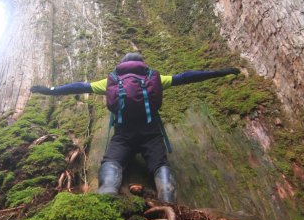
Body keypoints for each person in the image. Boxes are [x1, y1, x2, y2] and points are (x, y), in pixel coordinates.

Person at [31, 53, 240, 202]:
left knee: (112, 161)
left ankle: (106, 198)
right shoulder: (153, 78)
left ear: (122, 64)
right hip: (150, 132)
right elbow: (185, 77)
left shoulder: (112, 80)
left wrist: (50, 90)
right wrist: (221, 72)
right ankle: (169, 204)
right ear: (141, 63)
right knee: (160, 164)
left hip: (123, 134)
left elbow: (79, 86)